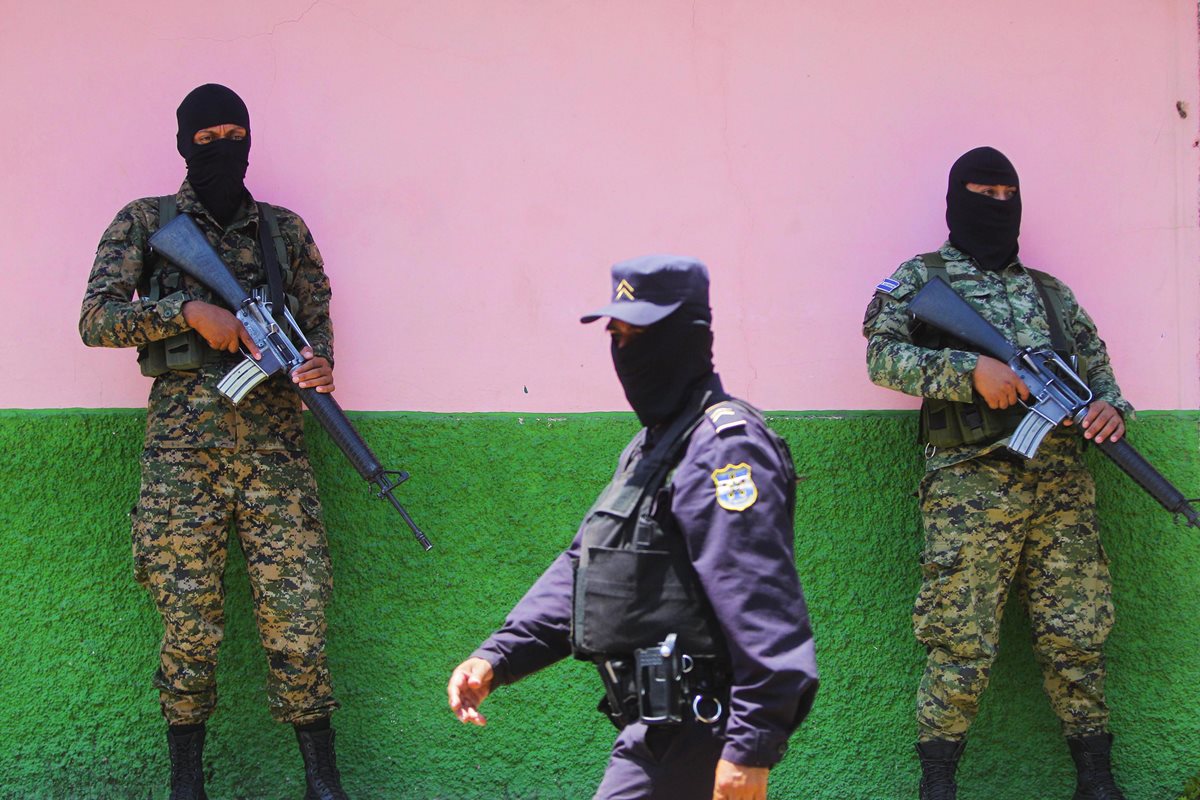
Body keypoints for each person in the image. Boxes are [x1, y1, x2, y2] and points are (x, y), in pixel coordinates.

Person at [447, 255, 818, 800]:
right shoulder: (651, 449)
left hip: (700, 730)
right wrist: (498, 657)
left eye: (641, 334)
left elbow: (761, 603)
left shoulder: (724, 446)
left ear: (689, 335)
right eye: (617, 335)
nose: (627, 352)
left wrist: (751, 747)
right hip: (653, 729)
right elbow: (587, 567)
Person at [79, 84, 349, 800]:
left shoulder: (285, 231)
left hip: (276, 457)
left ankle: (323, 783)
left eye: (235, 134)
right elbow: (97, 318)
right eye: (207, 138)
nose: (223, 148)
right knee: (189, 628)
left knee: (299, 621)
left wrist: (317, 362)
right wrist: (187, 311)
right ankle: (186, 787)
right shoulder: (146, 222)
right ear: (183, 143)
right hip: (181, 459)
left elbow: (316, 324)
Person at [862, 146, 1132, 800]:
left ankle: (1096, 779)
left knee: (1078, 636)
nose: (994, 206)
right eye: (980, 192)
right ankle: (938, 784)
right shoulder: (922, 278)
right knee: (960, 641)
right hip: (969, 493)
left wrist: (1109, 410)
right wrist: (967, 374)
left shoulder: (1052, 293)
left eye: (1005, 194)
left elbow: (1101, 376)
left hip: (1063, 490)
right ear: (954, 200)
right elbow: (880, 356)